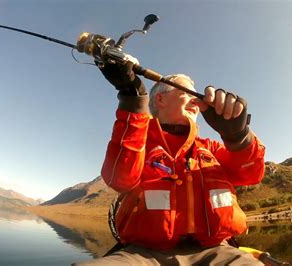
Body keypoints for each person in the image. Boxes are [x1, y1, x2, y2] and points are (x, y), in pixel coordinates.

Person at [75, 61, 266, 265]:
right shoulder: (137, 140)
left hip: (218, 251)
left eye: (198, 95)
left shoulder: (212, 148)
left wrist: (238, 136)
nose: (198, 101)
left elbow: (251, 174)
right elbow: (119, 179)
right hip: (143, 255)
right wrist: (132, 99)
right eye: (187, 93)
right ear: (160, 99)